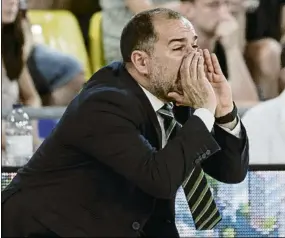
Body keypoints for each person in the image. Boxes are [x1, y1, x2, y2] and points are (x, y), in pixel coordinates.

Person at [2, 8, 249, 237]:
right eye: (178, 48)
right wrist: (205, 110)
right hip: (45, 229)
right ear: (142, 61)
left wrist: (223, 109)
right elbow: (159, 179)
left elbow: (230, 172)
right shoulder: (104, 104)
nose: (194, 57)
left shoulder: (173, 93)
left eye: (194, 46)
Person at [2, 0, 85, 107]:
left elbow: (32, 98)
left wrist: (30, 122)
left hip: (9, 121)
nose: (13, 2)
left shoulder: (12, 50)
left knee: (74, 71)